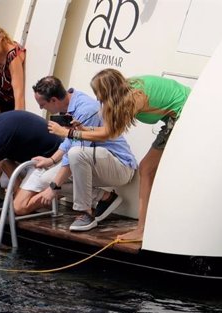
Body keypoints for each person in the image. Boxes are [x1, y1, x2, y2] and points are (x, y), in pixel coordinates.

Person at [48, 68, 190, 240]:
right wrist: (84, 129)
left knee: (146, 169)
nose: (98, 99)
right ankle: (143, 228)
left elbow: (109, 133)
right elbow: (110, 130)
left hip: (185, 112)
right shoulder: (125, 90)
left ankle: (142, 230)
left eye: (99, 94)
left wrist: (68, 133)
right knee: (146, 169)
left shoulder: (134, 98)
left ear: (108, 91)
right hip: (174, 115)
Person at [20, 76, 137, 231]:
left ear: (54, 100)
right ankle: (105, 197)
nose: (43, 108)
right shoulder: (69, 106)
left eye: (43, 104)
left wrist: (55, 187)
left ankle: (85, 212)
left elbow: (77, 150)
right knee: (46, 178)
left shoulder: (85, 108)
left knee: (74, 156)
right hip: (94, 162)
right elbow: (70, 141)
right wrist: (51, 160)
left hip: (120, 166)